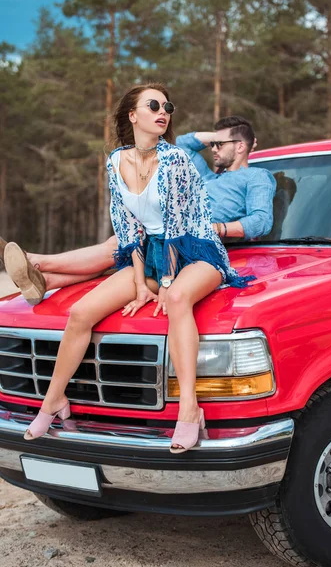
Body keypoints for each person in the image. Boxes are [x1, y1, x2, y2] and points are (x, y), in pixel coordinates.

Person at [12, 82, 254, 453]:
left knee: (176, 300)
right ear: (132, 115)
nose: (163, 111)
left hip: (198, 250)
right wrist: (141, 284)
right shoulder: (115, 161)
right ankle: (53, 400)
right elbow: (127, 227)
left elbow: (175, 226)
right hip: (152, 252)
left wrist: (167, 283)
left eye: (168, 107)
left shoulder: (174, 160)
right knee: (80, 312)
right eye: (154, 105)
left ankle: (189, 410)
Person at [1, 118, 275, 305]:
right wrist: (214, 135)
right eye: (212, 143)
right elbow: (181, 143)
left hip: (194, 244)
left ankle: (35, 261)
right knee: (122, 249)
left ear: (240, 147)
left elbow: (261, 221)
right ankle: (45, 281)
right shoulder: (205, 175)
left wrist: (213, 228)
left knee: (119, 244)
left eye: (220, 144)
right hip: (164, 233)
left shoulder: (257, 177)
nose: (213, 148)